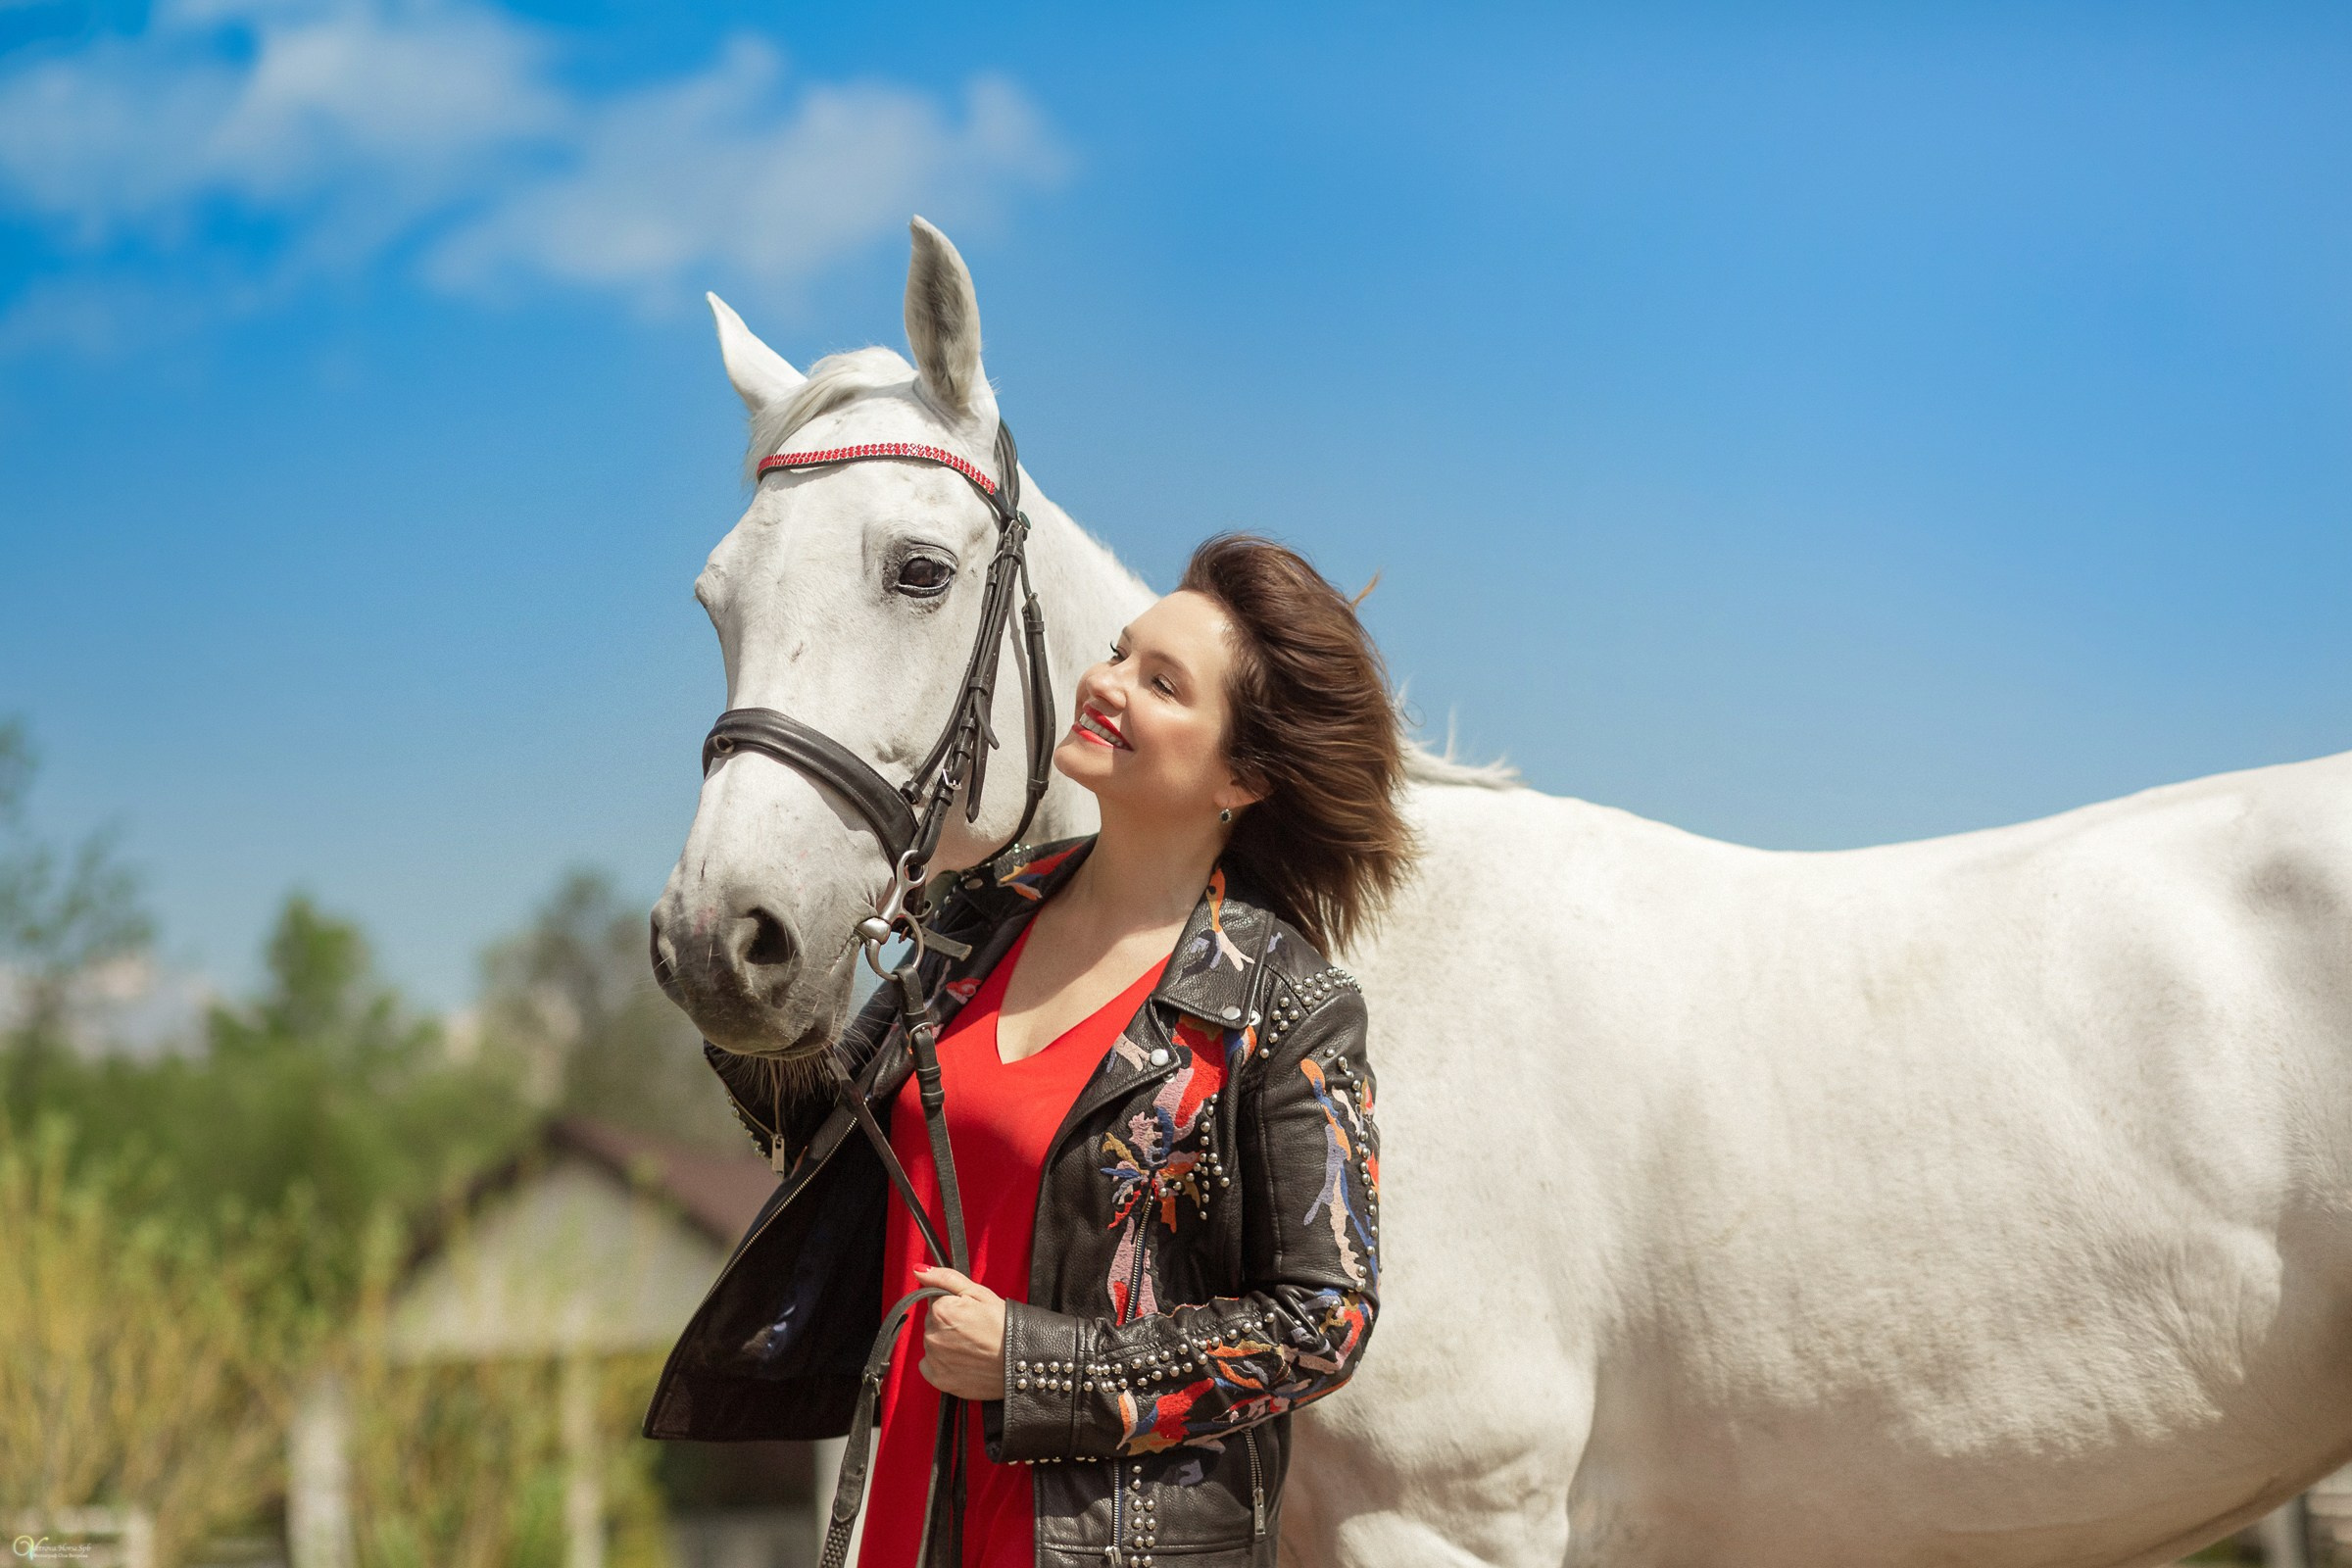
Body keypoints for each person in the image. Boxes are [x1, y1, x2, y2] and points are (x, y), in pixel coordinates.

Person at [644, 533, 1415, 1566]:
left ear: (1241, 775)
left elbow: (1323, 1320)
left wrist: (1033, 1362)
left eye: (1162, 683)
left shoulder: (1285, 1004)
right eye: (1121, 652)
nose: (1108, 683)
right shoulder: (978, 916)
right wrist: (744, 991)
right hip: (909, 1519)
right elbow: (823, 1135)